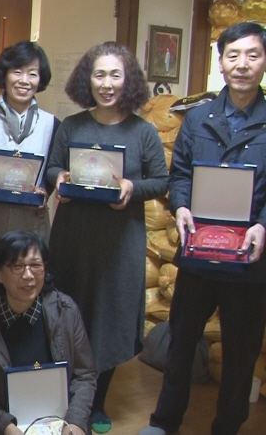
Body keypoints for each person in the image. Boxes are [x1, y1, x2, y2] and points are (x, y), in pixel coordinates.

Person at [139, 23, 266, 435]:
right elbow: (181, 174)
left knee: (241, 354)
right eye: (233, 55)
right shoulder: (197, 119)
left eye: (252, 55)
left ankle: (227, 427)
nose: (242, 64)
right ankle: (164, 422)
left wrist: (265, 225)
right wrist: (180, 206)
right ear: (221, 62)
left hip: (250, 257)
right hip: (198, 254)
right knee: (181, 344)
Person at [45, 41, 168, 434]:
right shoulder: (72, 125)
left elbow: (161, 180)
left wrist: (133, 187)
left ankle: (96, 401)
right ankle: (64, 396)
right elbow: (51, 168)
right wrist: (59, 179)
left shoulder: (143, 131)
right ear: (88, 79)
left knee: (110, 317)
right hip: (73, 237)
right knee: (70, 311)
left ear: (128, 80)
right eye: (99, 74)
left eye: (116, 75)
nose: (107, 83)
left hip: (120, 240)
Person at [0, 230, 96, 435]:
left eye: (35, 265)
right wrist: (5, 427)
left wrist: (75, 421)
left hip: (58, 422)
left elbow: (85, 375)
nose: (28, 275)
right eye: (17, 267)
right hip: (0, 426)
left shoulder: (65, 311)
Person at [0, 40, 60, 248]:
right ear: (4, 75)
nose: (24, 81)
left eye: (32, 74)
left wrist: (44, 191)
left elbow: (54, 170)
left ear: (40, 79)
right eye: (17, 72)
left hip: (32, 223)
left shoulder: (52, 124)